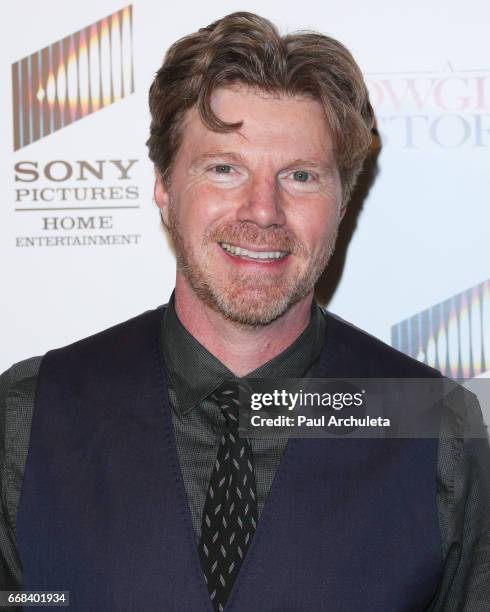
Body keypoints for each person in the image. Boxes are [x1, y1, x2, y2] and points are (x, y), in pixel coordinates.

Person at [1, 11, 488, 612]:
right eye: (225, 168)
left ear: (342, 201)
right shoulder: (30, 413)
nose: (263, 211)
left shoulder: (433, 428)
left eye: (301, 175)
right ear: (163, 183)